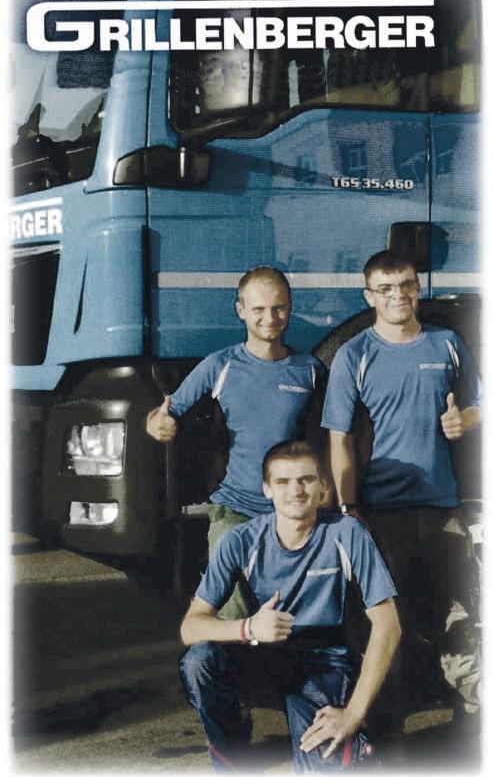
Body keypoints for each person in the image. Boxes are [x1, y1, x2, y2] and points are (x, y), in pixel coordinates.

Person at [321, 249, 482, 715]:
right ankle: (385, 725)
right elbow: (339, 439)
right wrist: (349, 509)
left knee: (458, 614)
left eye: (406, 285)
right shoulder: (355, 355)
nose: (398, 296)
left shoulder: (447, 344)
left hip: (442, 507)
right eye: (386, 288)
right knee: (387, 622)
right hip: (382, 514)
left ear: (418, 288)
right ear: (369, 296)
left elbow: (480, 403)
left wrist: (465, 420)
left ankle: (473, 715)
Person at [179, 440, 401, 772]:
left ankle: (358, 746)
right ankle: (232, 760)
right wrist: (248, 627)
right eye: (282, 481)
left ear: (323, 486)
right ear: (266, 489)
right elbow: (191, 627)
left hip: (324, 664)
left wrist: (353, 714)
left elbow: (388, 625)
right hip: (265, 657)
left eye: (306, 480)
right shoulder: (241, 540)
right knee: (200, 662)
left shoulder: (347, 533)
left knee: (322, 761)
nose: (295, 490)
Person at [146, 266, 326, 618]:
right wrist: (158, 424)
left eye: (278, 308)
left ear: (290, 308)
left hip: (292, 512)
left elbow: (330, 436)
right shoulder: (220, 366)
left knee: (296, 618)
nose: (269, 318)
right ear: (240, 310)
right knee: (232, 616)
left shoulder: (310, 370)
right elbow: (165, 412)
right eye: (258, 309)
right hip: (235, 510)